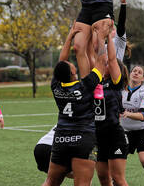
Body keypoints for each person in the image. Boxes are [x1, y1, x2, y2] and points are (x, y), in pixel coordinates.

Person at [42, 23, 107, 186]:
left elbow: (61, 62)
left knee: (50, 181)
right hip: (83, 138)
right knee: (82, 183)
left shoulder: (56, 86)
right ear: (73, 74)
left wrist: (70, 37)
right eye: (73, 67)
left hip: (61, 139)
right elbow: (102, 62)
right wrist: (101, 37)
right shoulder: (86, 85)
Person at [94, 33, 129, 186]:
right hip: (98, 136)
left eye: (108, 64)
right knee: (103, 178)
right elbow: (94, 54)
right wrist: (97, 35)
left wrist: (108, 36)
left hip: (114, 135)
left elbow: (113, 59)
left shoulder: (115, 83)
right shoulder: (96, 82)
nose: (105, 64)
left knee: (118, 179)